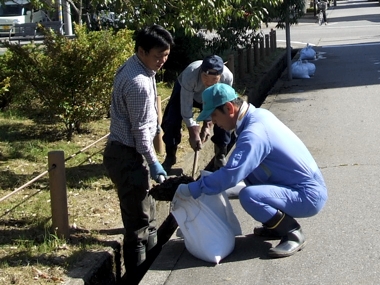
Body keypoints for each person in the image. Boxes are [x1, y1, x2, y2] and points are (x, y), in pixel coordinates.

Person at [176, 83, 328, 258]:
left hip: (308, 196)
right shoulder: (258, 115)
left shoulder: (254, 134)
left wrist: (193, 189)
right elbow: (236, 171)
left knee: (249, 196)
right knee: (250, 178)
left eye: (214, 116)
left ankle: (292, 232)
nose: (214, 123)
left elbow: (232, 174)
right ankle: (275, 225)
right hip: (303, 186)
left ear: (229, 108)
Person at [102, 24, 174, 279]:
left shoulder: (136, 65)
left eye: (165, 56)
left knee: (149, 212)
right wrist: (154, 162)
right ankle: (139, 276)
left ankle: (153, 264)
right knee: (139, 223)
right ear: (142, 51)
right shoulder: (138, 83)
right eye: (158, 56)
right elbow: (141, 134)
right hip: (126, 155)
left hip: (126, 152)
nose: (162, 62)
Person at [161, 55, 234, 172]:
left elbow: (219, 102)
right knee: (171, 120)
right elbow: (186, 108)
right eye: (205, 77)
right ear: (201, 71)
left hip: (213, 97)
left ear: (220, 76)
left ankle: (220, 154)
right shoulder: (190, 74)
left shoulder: (227, 78)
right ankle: (170, 156)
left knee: (224, 117)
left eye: (214, 80)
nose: (208, 82)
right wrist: (192, 131)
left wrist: (207, 124)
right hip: (189, 92)